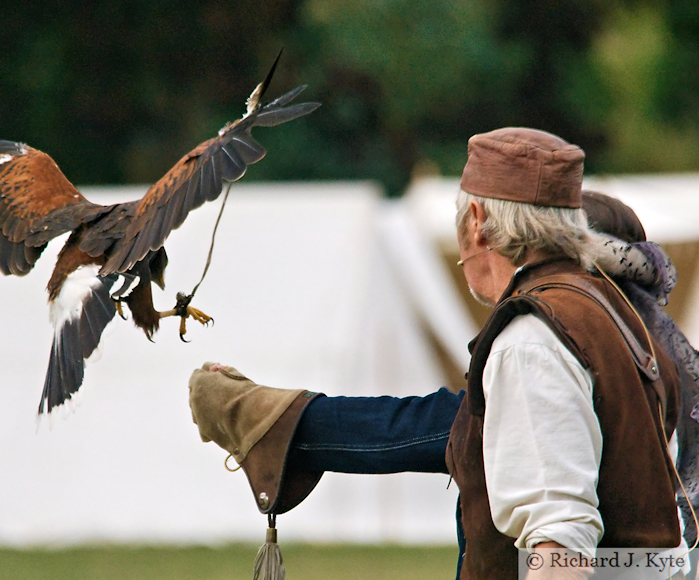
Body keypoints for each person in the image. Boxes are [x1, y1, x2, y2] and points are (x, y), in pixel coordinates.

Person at [188, 128, 693, 579]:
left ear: (477, 220)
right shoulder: (616, 319)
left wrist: (270, 417)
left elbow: (560, 539)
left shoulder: (534, 340)